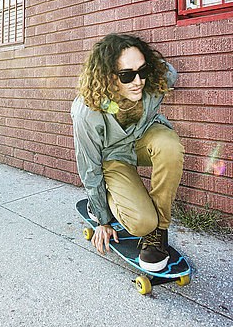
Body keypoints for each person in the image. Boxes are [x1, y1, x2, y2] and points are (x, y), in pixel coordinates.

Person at [71, 33, 184, 272]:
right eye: (126, 75)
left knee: (169, 145)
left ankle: (158, 231)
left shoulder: (154, 78)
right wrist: (103, 219)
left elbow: (168, 72)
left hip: (143, 137)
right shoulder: (86, 112)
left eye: (141, 71)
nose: (138, 81)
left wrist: (148, 65)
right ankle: (107, 204)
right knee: (142, 223)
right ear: (107, 77)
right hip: (114, 157)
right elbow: (89, 166)